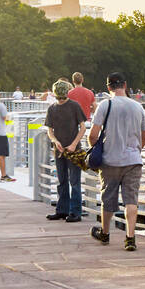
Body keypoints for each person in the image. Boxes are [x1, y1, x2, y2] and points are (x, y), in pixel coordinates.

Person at [88, 71, 145, 251]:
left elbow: (93, 135)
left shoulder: (105, 105)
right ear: (125, 85)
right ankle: (130, 238)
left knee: (108, 199)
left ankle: (105, 233)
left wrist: (99, 148)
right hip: (133, 160)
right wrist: (135, 150)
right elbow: (144, 137)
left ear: (108, 87)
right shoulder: (138, 107)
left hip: (110, 160)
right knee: (131, 200)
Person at [44, 79, 87, 223]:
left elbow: (83, 128)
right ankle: (62, 210)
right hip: (59, 151)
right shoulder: (52, 108)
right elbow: (50, 131)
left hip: (74, 151)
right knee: (62, 181)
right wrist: (55, 142)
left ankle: (75, 212)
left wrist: (74, 144)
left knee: (75, 182)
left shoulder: (74, 106)